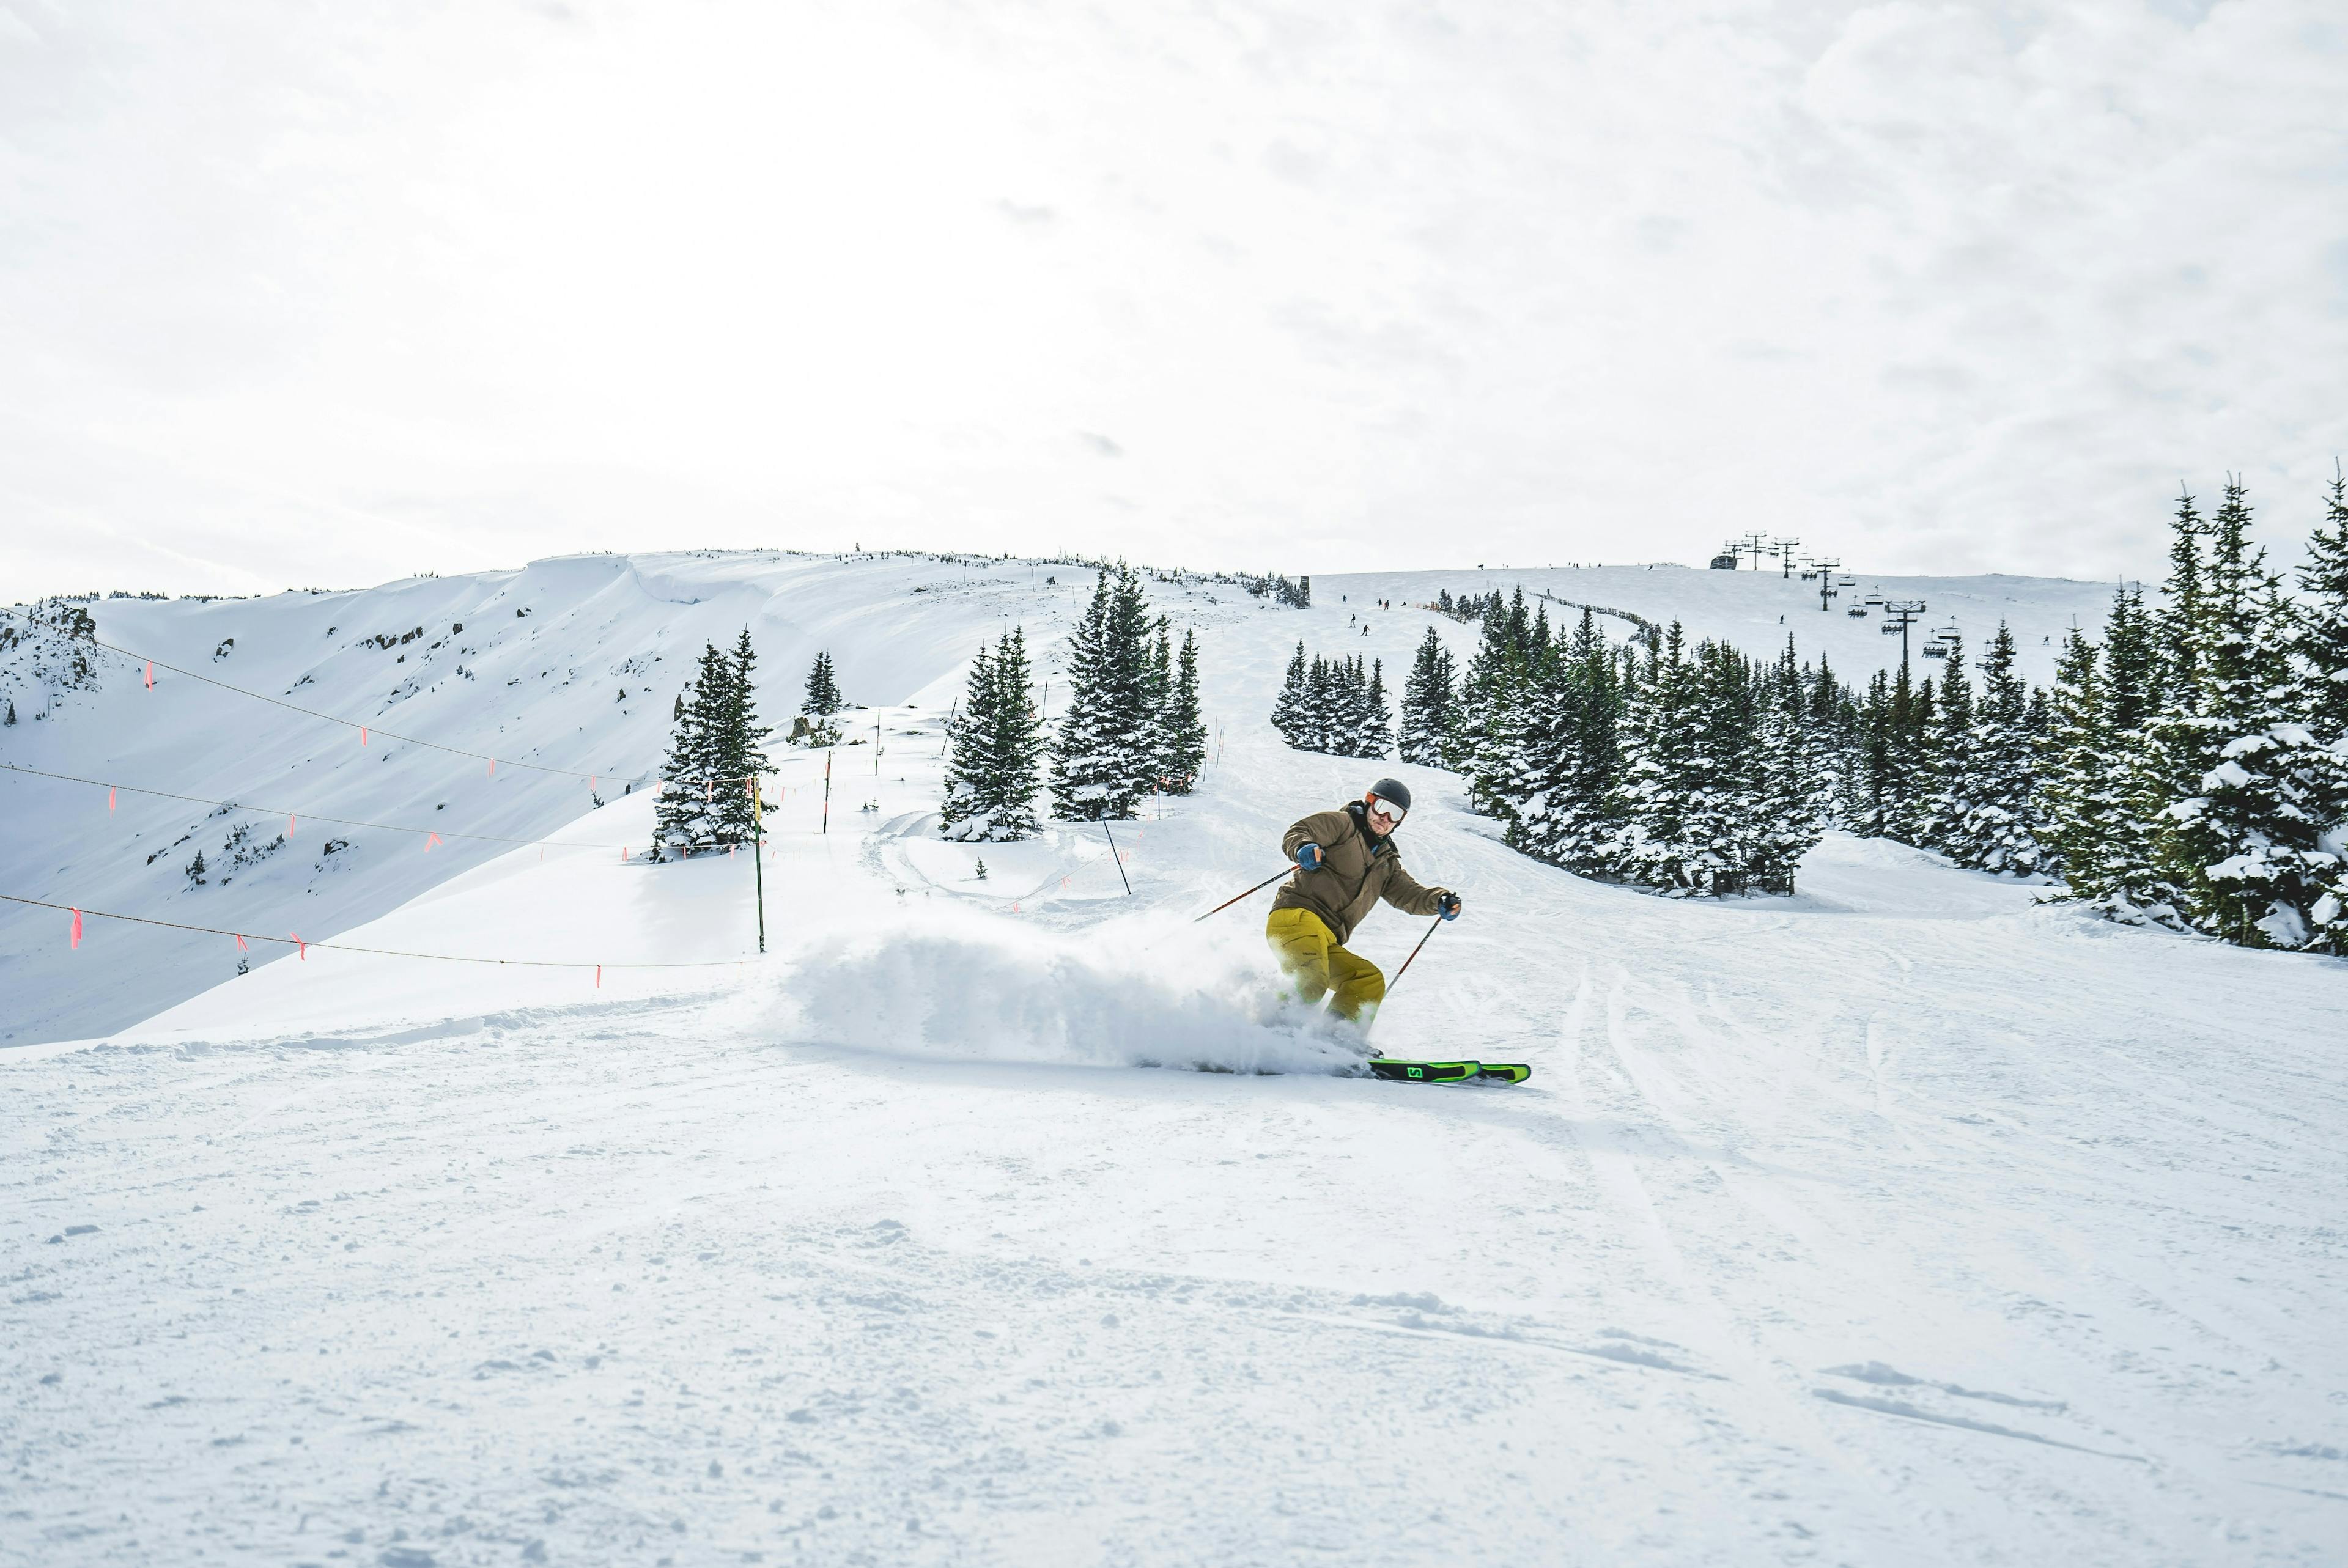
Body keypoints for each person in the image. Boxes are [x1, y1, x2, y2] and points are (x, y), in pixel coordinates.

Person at [1266, 778, 1461, 1034]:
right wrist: (1304, 847)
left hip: (1327, 937)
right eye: (1382, 808)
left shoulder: (1386, 862)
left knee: (1366, 980)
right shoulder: (1343, 824)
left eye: (1396, 815)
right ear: (1369, 802)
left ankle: (1335, 1041)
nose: (1386, 818)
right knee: (1312, 980)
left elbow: (1408, 893)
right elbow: (1301, 832)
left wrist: (1438, 900)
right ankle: (1269, 1034)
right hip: (1297, 916)